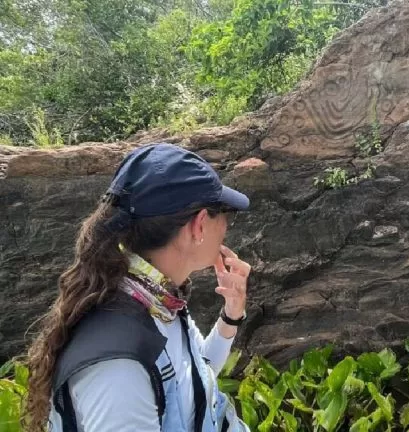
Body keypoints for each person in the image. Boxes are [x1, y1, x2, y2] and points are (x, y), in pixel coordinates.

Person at [24, 143, 253, 431]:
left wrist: (231, 314)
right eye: (224, 214)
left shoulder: (158, 301)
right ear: (199, 226)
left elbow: (196, 375)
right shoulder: (119, 365)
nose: (227, 227)